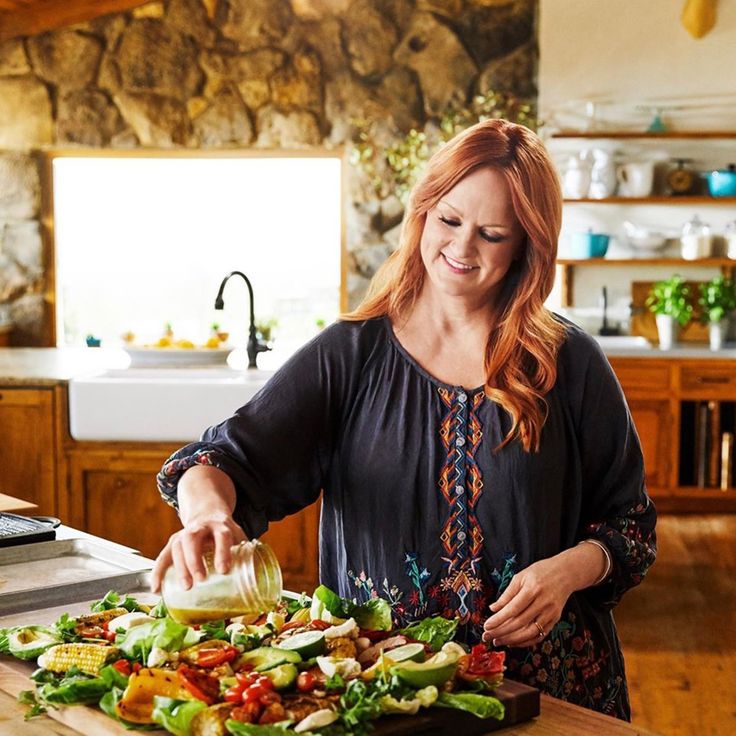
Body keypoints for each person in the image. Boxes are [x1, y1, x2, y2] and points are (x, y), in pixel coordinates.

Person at [152, 118, 656, 721]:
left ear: (527, 243)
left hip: (553, 697)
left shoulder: (568, 362)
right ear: (423, 214)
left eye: (492, 233)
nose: (462, 248)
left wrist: (570, 569)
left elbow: (632, 527)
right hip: (387, 698)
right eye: (449, 220)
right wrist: (207, 515)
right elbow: (220, 460)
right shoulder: (351, 353)